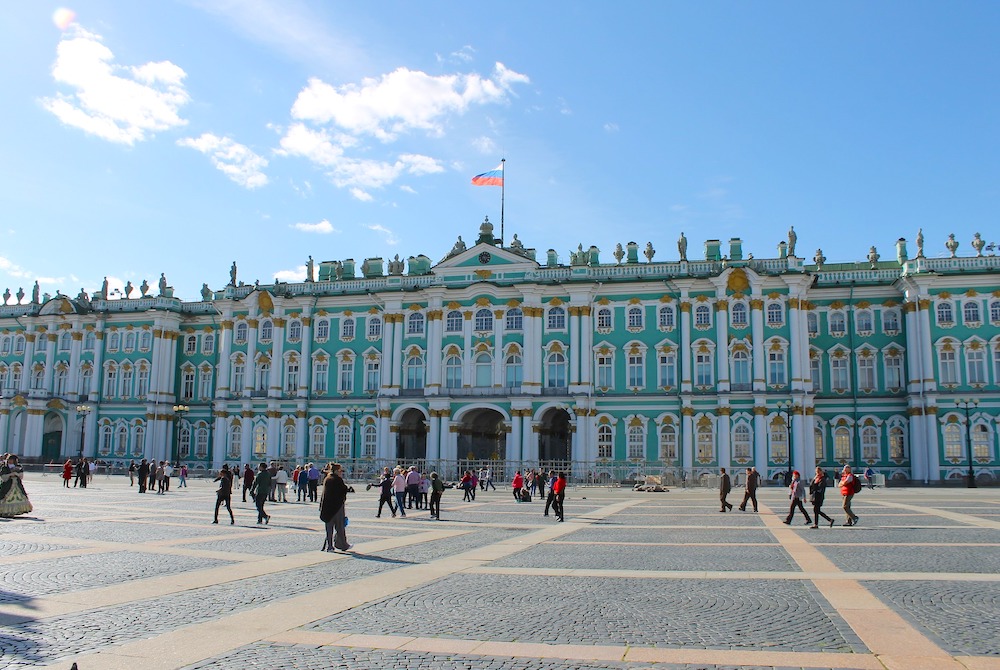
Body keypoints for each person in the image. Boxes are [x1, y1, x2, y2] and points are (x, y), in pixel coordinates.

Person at [319, 462, 352, 552]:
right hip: (337, 507)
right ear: (337, 471)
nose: (341, 472)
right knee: (340, 527)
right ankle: (343, 545)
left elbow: (324, 495)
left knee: (329, 529)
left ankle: (329, 546)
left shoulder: (327, 479)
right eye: (340, 471)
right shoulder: (337, 480)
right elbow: (342, 491)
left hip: (327, 508)